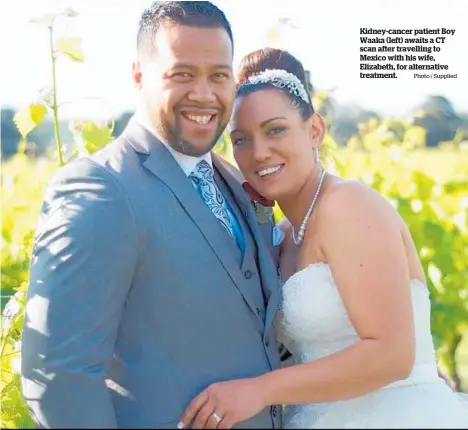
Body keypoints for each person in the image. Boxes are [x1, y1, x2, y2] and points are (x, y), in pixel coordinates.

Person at [20, 3, 284, 428]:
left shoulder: (234, 181)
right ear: (139, 76)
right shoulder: (99, 188)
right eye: (182, 74)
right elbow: (57, 377)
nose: (204, 94)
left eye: (219, 75)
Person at [178, 48, 468, 429]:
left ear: (314, 129)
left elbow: (392, 355)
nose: (260, 152)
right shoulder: (281, 236)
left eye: (275, 130)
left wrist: (260, 390)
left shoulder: (349, 205)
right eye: (241, 139)